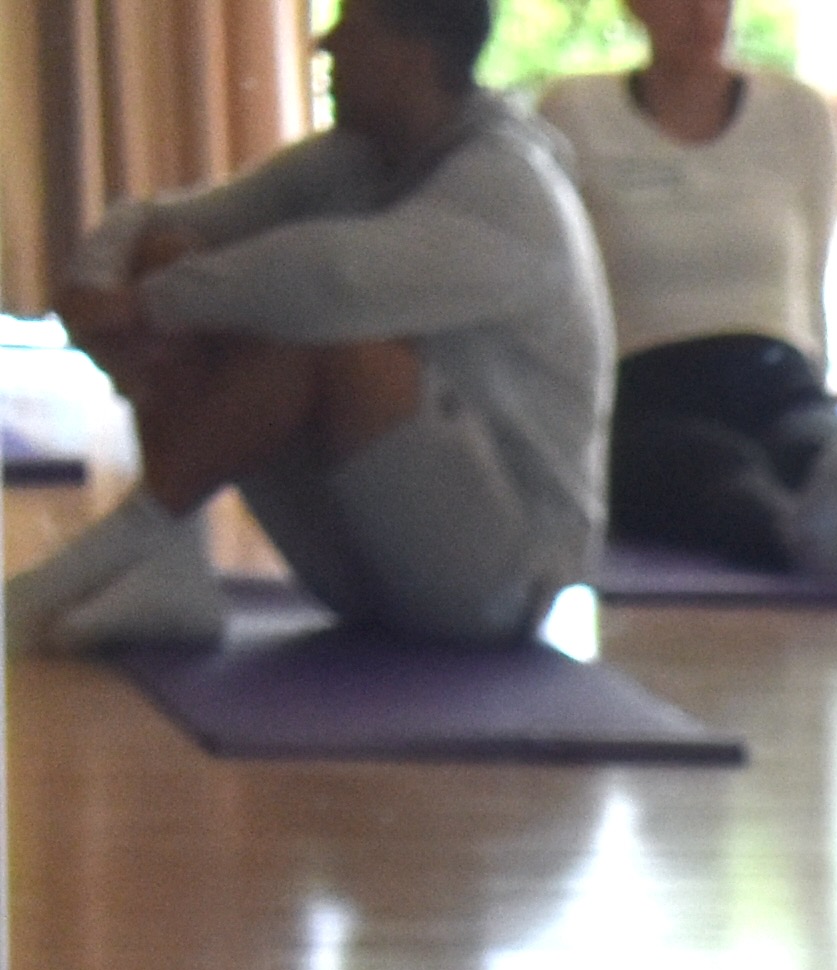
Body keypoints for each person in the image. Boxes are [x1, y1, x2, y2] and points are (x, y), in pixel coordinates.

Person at [4, 0, 605, 657]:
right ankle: (174, 567)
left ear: (413, 52)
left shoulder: (510, 187)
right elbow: (165, 222)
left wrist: (143, 307)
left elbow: (336, 279)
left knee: (334, 339)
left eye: (352, 27)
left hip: (500, 584)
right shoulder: (349, 161)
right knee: (174, 255)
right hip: (368, 571)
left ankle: (128, 538)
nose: (325, 44)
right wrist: (97, 281)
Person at [541, 0, 837, 581]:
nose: (700, 15)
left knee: (813, 442)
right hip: (648, 385)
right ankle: (787, 532)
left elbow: (812, 271)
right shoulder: (575, 112)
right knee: (699, 467)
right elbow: (557, 286)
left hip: (772, 372)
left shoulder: (800, 114)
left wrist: (821, 376)